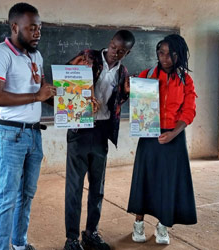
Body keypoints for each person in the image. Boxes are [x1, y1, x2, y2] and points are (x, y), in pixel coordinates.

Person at [0, 3, 56, 250]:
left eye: (40, 28)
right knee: (7, 199)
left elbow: (44, 94)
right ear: (15, 27)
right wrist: (37, 97)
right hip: (10, 134)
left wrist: (78, 102)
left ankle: (19, 244)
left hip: (34, 135)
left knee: (26, 196)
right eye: (32, 28)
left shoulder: (36, 56)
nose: (37, 33)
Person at [63, 30, 135, 250]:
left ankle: (91, 233)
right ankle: (72, 239)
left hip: (102, 131)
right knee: (74, 187)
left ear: (127, 52)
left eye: (121, 51)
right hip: (80, 131)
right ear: (109, 43)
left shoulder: (123, 72)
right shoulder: (87, 57)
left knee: (98, 187)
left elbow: (124, 96)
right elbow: (66, 80)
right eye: (114, 47)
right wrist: (85, 95)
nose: (115, 53)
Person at [127, 34, 197, 245]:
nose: (165, 58)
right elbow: (131, 96)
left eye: (170, 54)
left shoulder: (186, 80)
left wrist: (173, 133)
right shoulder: (146, 75)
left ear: (180, 55)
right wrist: (129, 89)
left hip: (174, 137)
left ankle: (162, 226)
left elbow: (189, 110)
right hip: (149, 135)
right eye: (161, 53)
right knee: (145, 179)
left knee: (168, 182)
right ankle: (138, 223)